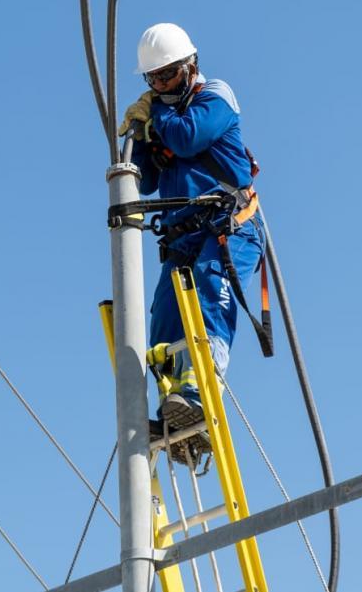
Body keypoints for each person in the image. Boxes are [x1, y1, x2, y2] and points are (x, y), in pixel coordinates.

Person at [121, 23, 267, 442]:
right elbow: (145, 181)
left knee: (208, 288)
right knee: (163, 320)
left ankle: (201, 392)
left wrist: (157, 114)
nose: (163, 85)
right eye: (154, 78)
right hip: (182, 238)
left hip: (229, 229)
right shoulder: (162, 118)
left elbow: (187, 139)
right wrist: (139, 137)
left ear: (191, 66)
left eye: (169, 75)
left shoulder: (216, 97)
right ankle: (178, 413)